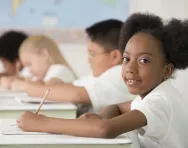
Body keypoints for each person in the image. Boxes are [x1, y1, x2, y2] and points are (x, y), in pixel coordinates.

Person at [17, 13, 188, 148]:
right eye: (127, 59)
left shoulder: (160, 101)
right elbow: (119, 107)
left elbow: (105, 130)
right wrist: (102, 115)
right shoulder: (154, 94)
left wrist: (42, 123)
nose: (130, 68)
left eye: (144, 60)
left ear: (166, 70)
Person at [11, 19, 134, 113]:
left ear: (114, 57)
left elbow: (77, 94)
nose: (89, 60)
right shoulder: (97, 77)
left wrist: (27, 87)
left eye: (92, 54)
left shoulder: (119, 74)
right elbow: (68, 87)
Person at [10, 35, 76, 90]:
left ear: (44, 54)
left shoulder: (60, 69)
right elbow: (23, 77)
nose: (29, 70)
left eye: (29, 64)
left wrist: (25, 85)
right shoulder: (41, 75)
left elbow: (46, 90)